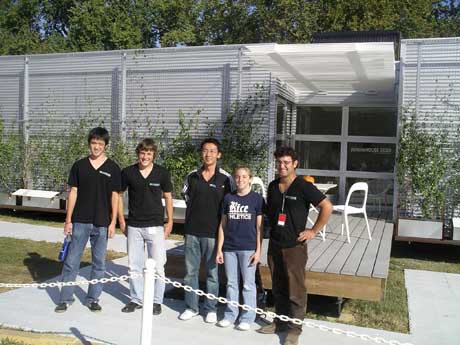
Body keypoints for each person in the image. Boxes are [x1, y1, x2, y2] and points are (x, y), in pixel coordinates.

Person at [257, 146, 332, 345]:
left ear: (295, 164)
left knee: (295, 289)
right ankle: (280, 321)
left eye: (286, 163)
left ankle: (295, 328)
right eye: (279, 162)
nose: (282, 166)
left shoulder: (303, 186)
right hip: (275, 243)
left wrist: (313, 231)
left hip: (294, 246)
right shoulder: (273, 186)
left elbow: (327, 206)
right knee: (278, 285)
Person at [55, 127, 121, 313]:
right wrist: (68, 220)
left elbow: (115, 196)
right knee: (71, 262)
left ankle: (93, 298)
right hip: (80, 222)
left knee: (99, 264)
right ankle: (65, 299)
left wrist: (113, 222)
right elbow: (73, 192)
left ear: (105, 145)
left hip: (102, 223)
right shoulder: (79, 166)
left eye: (100, 144)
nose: (97, 147)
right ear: (89, 144)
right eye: (94, 143)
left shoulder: (113, 168)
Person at [179, 138, 235, 323]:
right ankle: (191, 307)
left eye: (212, 151)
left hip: (214, 234)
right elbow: (186, 196)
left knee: (212, 274)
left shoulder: (226, 179)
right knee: (190, 273)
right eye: (205, 150)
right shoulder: (192, 176)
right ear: (201, 153)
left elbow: (231, 203)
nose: (208, 154)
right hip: (193, 231)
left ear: (219, 154)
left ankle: (210, 308)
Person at [118, 138, 173, 315]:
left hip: (155, 226)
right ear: (138, 153)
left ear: (153, 155)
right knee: (134, 265)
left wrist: (170, 221)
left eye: (149, 153)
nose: (145, 156)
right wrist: (121, 220)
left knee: (158, 266)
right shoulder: (127, 172)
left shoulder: (162, 173)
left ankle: (156, 301)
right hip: (134, 225)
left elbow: (168, 197)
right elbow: (118, 196)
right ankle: (136, 299)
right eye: (142, 153)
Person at [216, 166, 263, 331]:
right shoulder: (228, 198)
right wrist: (219, 249)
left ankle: (247, 317)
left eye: (244, 177)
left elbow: (259, 228)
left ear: (250, 179)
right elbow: (222, 225)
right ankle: (230, 314)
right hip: (229, 247)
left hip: (248, 248)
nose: (240, 180)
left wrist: (258, 250)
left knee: (248, 284)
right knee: (231, 284)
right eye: (237, 177)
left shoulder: (257, 199)